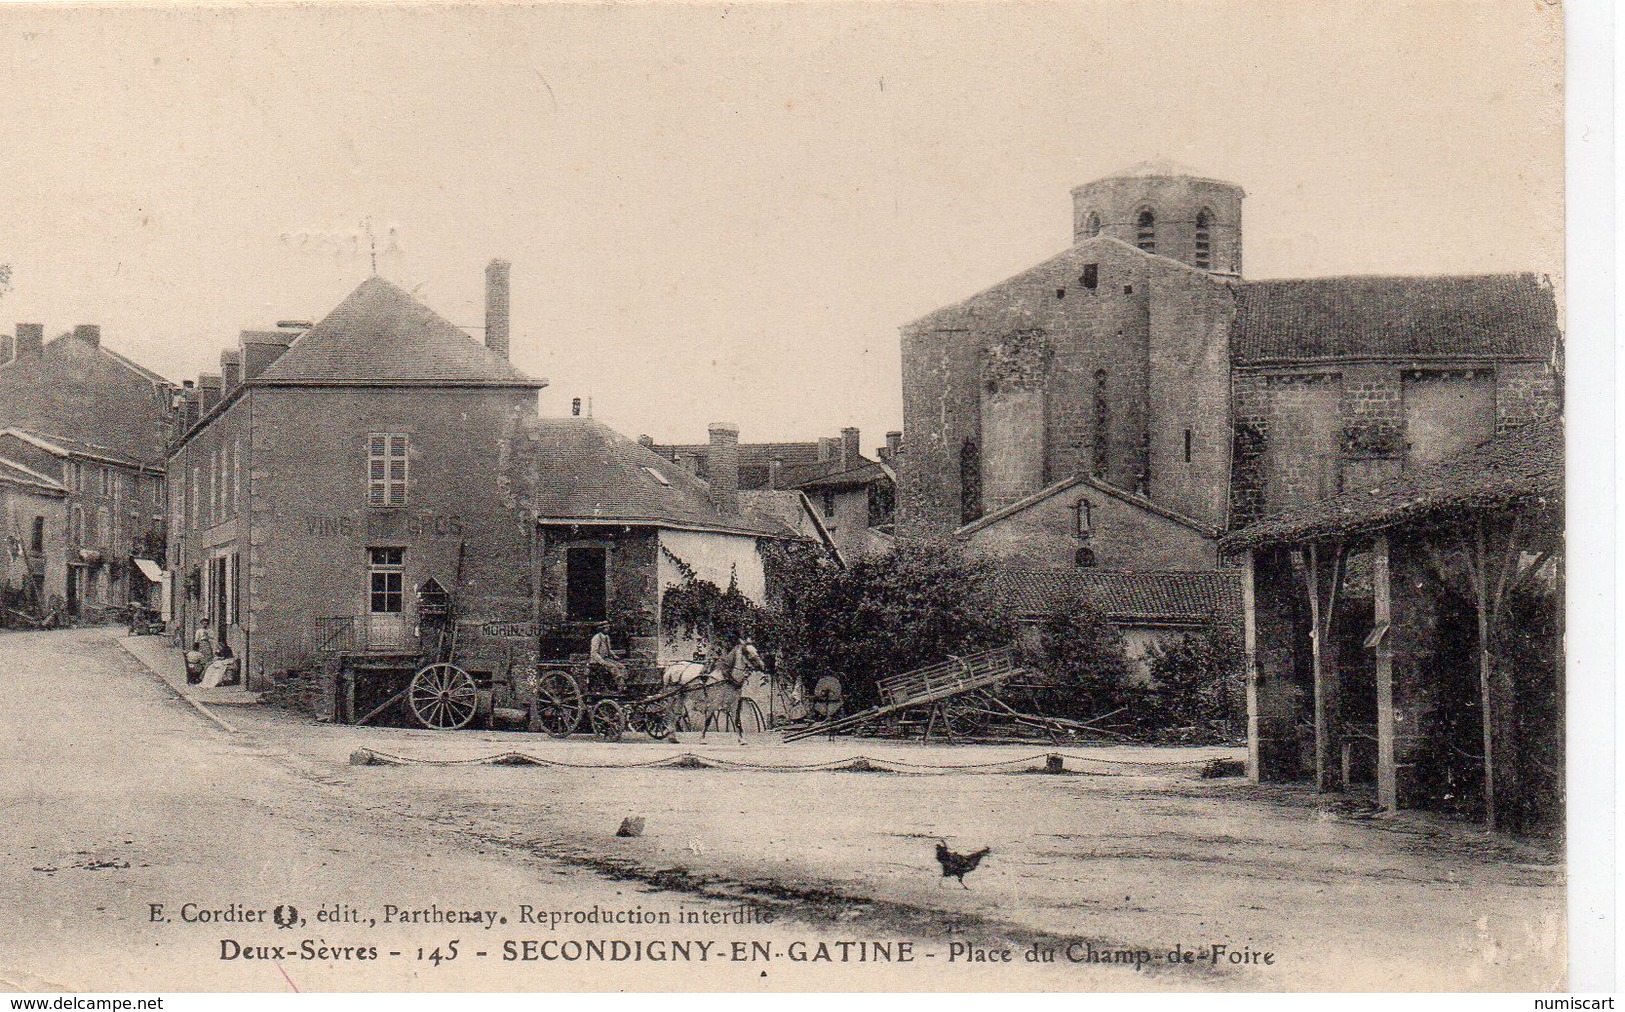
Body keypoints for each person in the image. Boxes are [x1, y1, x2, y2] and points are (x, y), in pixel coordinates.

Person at [587, 622, 627, 693]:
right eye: (606, 628)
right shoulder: (596, 638)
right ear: (601, 629)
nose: (608, 629)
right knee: (612, 667)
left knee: (622, 667)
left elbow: (609, 650)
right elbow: (594, 653)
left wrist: (614, 655)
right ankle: (619, 686)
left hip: (606, 658)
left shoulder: (606, 637)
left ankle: (623, 683)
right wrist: (602, 662)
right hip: (597, 660)